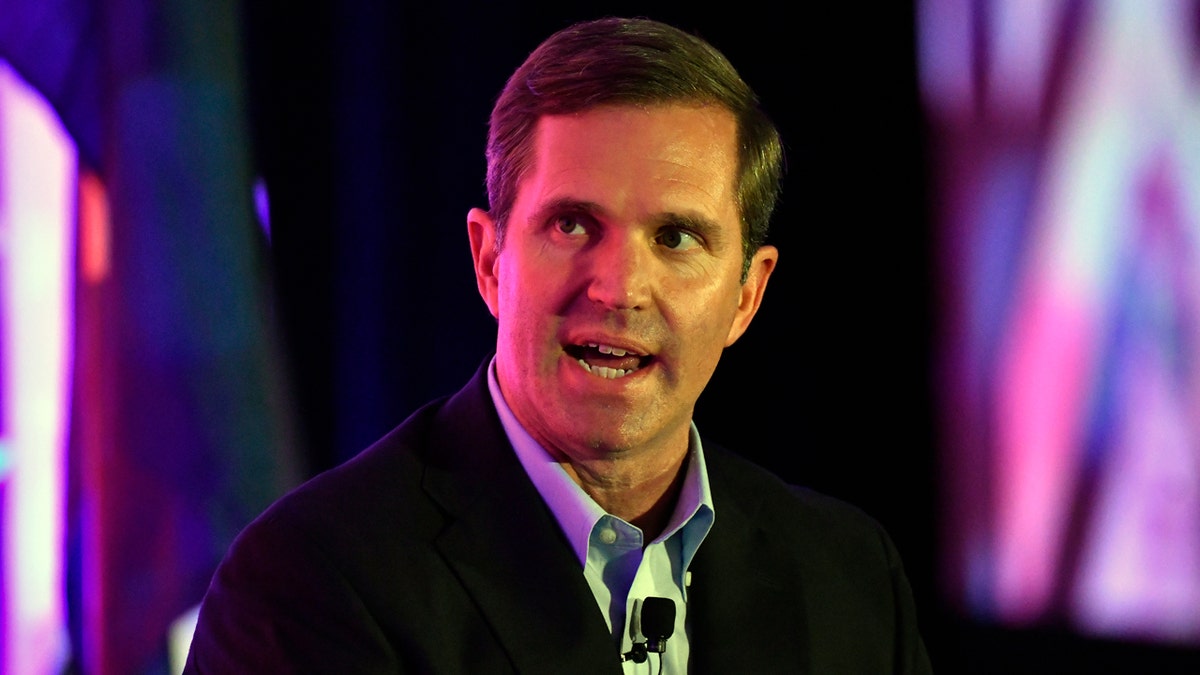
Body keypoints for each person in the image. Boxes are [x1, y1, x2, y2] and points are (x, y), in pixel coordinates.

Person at [184, 16, 933, 674]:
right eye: (573, 224)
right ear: (489, 262)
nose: (619, 287)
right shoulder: (310, 583)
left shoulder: (850, 576)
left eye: (676, 237)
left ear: (746, 295)